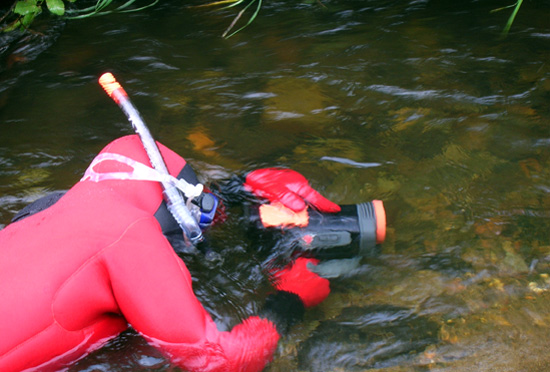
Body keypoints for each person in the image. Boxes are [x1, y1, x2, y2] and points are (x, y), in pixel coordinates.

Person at [0, 134, 342, 372]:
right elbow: (223, 361)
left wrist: (239, 189)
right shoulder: (129, 233)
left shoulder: (46, 211)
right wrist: (291, 299)